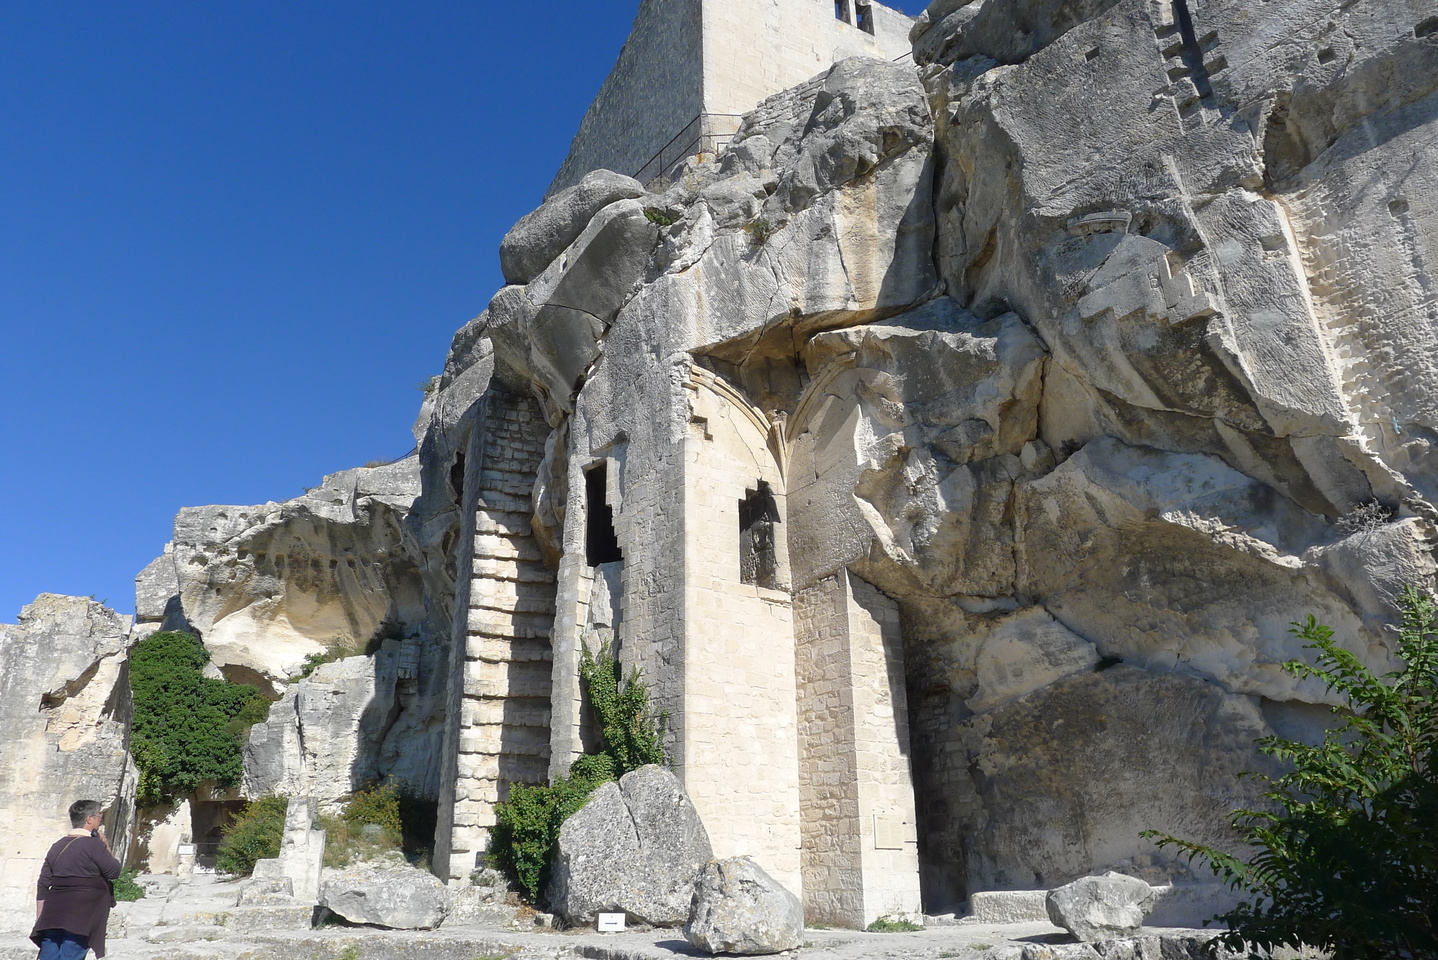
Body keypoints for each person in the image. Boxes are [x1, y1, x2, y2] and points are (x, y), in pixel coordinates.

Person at [30, 799, 122, 960]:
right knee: (71, 953)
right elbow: (114, 871)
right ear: (89, 819)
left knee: (49, 954)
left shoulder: (57, 845)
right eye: (99, 816)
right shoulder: (94, 845)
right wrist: (106, 845)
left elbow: (43, 882)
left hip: (53, 911)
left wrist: (40, 915)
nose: (100, 820)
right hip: (82, 912)